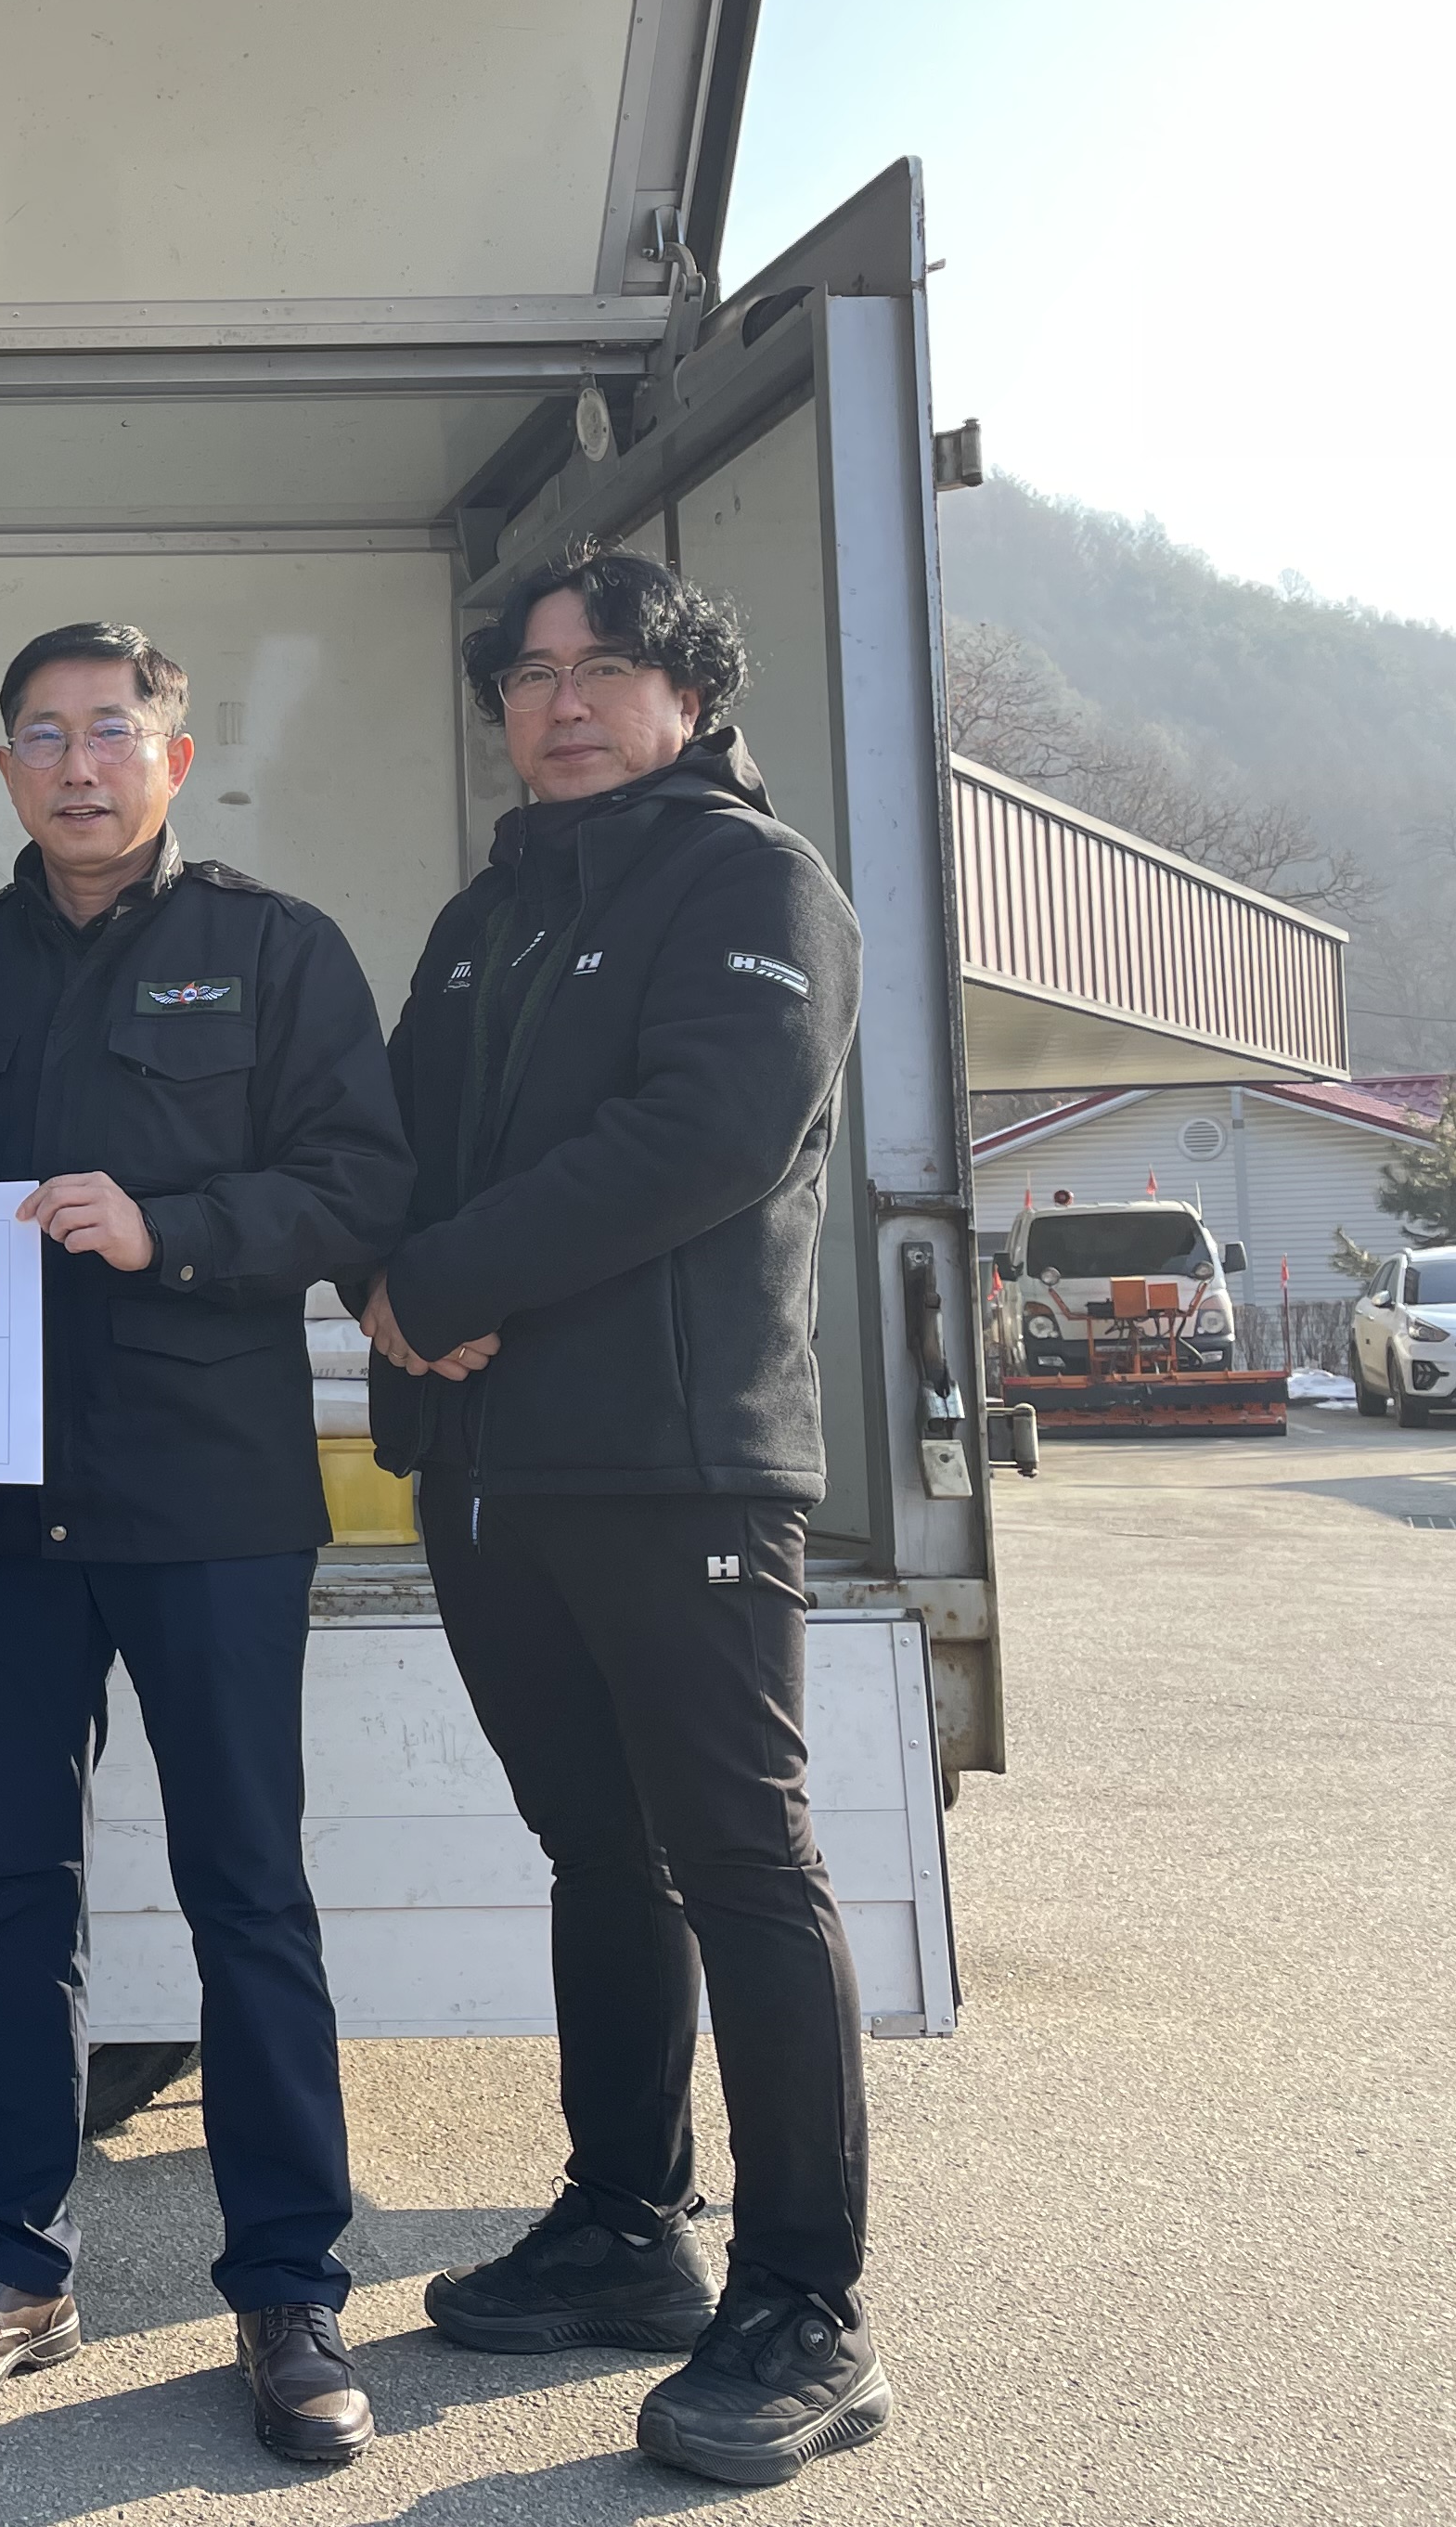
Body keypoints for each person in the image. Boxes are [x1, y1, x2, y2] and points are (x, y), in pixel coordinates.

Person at [0, 622, 412, 2466]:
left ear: (174, 758)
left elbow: (359, 1186)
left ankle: (291, 2288)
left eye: (111, 731)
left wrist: (173, 1227)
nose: (77, 763)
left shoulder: (275, 951)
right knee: (14, 1886)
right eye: (42, 735)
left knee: (247, 1887)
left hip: (209, 1500)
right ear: (4, 768)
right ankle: (10, 2267)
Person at [362, 548, 883, 2490]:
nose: (561, 701)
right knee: (596, 1849)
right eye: (528, 675)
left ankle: (807, 2305)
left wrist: (448, 1278)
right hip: (489, 1465)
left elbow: (704, 1136)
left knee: (742, 1860)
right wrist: (383, 1286)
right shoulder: (488, 918)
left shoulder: (755, 885)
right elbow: (383, 1150)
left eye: (604, 667)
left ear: (692, 694)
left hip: (681, 1461)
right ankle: (624, 2227)